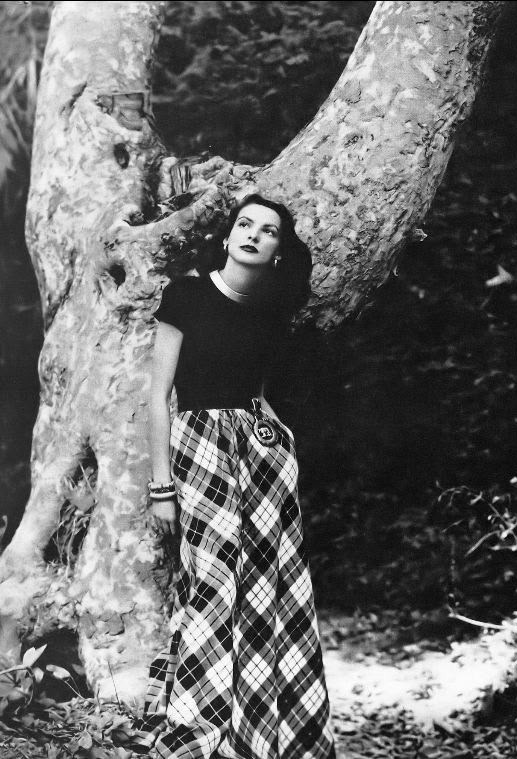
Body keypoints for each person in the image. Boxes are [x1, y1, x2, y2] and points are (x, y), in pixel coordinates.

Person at [136, 194, 336, 759]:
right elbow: (158, 397)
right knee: (213, 583)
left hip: (263, 459)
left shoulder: (272, 311)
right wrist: (162, 486)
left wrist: (284, 445)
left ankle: (264, 734)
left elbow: (258, 392)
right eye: (244, 224)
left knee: (269, 590)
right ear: (226, 237)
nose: (253, 235)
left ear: (278, 250)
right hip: (200, 452)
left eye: (268, 231)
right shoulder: (187, 295)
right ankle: (199, 732)